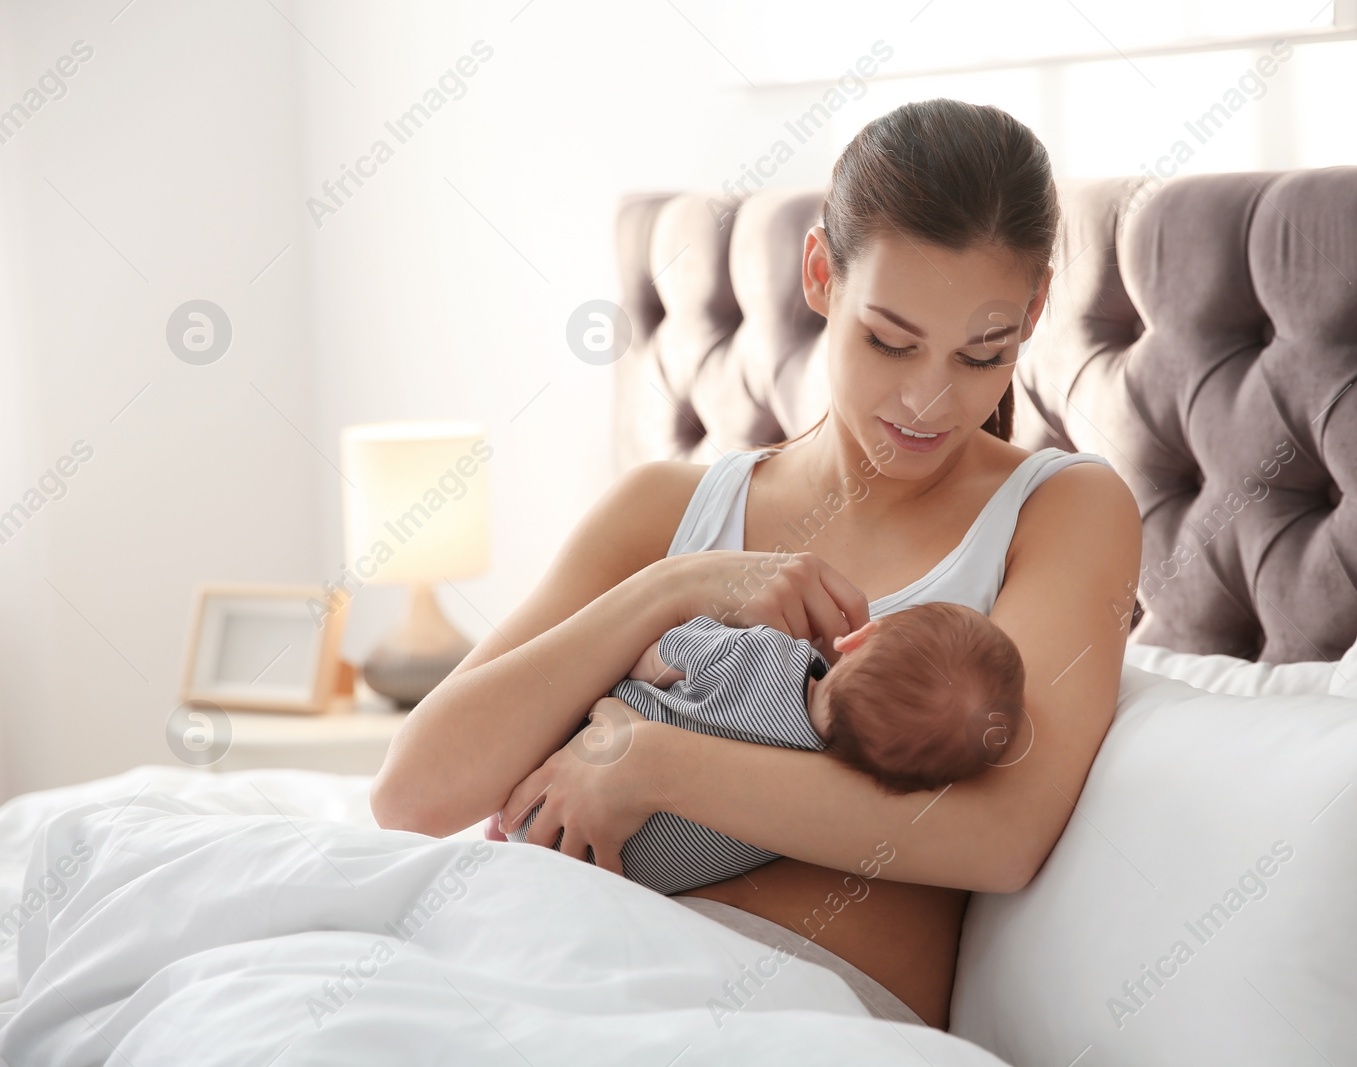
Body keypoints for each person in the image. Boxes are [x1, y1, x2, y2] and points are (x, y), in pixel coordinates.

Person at [371, 96, 1142, 1031]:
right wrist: (679, 585)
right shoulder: (666, 510)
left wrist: (651, 763)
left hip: (786, 1015)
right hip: (546, 965)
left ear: (1035, 311)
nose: (929, 401)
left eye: (984, 353)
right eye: (889, 341)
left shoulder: (1061, 510)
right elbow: (412, 793)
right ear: (820, 275)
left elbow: (1003, 834)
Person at [490, 603, 1025, 898]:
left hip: (550, 787)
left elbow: (653, 655)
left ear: (858, 638)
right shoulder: (805, 812)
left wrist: (626, 694)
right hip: (602, 880)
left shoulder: (764, 654)